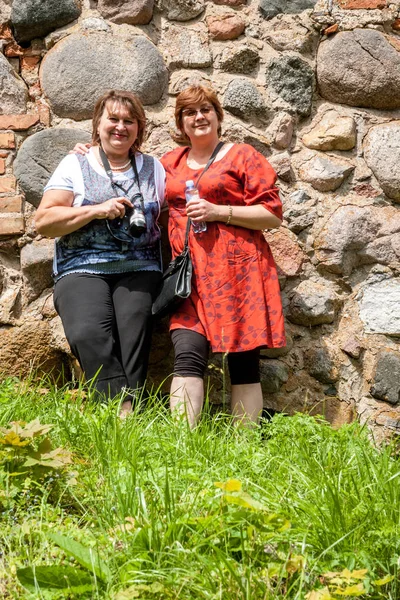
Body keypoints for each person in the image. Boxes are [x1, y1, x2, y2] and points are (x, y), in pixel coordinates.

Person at [161, 85, 286, 427]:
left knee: (244, 362)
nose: (198, 117)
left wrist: (219, 211)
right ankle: (182, 448)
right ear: (181, 123)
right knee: (187, 352)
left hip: (238, 273)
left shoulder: (242, 156)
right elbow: (131, 173)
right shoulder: (169, 163)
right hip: (189, 278)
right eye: (189, 112)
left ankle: (243, 449)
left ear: (218, 116)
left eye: (205, 110)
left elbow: (272, 214)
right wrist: (89, 151)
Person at [35, 90, 165, 416]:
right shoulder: (75, 163)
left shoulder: (155, 168)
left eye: (129, 121)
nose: (120, 127)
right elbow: (44, 221)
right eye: (113, 119)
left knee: (133, 329)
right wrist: (96, 211)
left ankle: (126, 426)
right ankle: (122, 408)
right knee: (87, 332)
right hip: (82, 266)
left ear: (139, 128)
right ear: (98, 123)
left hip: (139, 266)